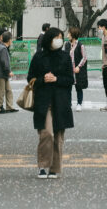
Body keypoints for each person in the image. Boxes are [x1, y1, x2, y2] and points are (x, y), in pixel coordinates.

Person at [27, 25, 75, 178]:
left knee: (58, 136)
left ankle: (54, 168)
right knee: (46, 133)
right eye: (56, 38)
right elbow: (30, 78)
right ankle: (42, 165)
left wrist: (56, 79)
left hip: (61, 101)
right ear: (49, 39)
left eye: (61, 38)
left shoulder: (65, 57)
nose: (59, 41)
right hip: (43, 100)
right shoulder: (39, 57)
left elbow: (70, 79)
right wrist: (43, 79)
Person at [0, 31, 17, 113]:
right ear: (9, 40)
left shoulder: (2, 47)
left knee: (8, 90)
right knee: (1, 91)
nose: (12, 41)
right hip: (0, 74)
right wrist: (9, 71)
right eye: (11, 39)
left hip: (3, 74)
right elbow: (4, 62)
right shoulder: (3, 48)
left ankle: (9, 107)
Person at [69, 25, 89, 107]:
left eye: (69, 34)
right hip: (69, 70)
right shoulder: (66, 44)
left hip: (77, 70)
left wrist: (78, 66)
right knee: (68, 88)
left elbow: (84, 58)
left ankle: (79, 104)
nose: (67, 35)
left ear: (73, 35)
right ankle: (68, 103)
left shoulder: (81, 45)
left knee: (78, 87)